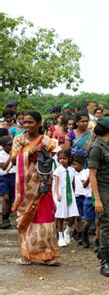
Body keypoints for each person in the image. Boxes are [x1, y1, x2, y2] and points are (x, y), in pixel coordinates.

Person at [11, 111, 60, 265]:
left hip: (42, 184)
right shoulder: (19, 139)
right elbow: (13, 159)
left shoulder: (47, 141)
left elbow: (51, 161)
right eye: (24, 122)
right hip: (25, 186)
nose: (27, 125)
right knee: (26, 219)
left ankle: (47, 254)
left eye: (30, 122)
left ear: (39, 123)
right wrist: (30, 152)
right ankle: (27, 254)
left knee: (45, 218)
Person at [88, 117, 109, 277]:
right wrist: (97, 199)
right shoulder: (96, 148)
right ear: (108, 132)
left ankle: (101, 247)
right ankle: (105, 261)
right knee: (107, 222)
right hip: (103, 189)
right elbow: (92, 175)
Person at [53, 149, 79, 247]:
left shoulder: (72, 170)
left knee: (73, 214)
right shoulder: (58, 170)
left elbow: (73, 182)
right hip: (61, 193)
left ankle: (67, 230)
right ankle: (60, 236)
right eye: (60, 158)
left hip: (70, 193)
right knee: (60, 216)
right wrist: (58, 194)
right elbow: (56, 184)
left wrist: (74, 192)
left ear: (69, 159)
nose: (62, 160)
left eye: (64, 158)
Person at [71, 155, 90, 247]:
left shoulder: (85, 172)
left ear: (81, 164)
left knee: (85, 217)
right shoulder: (72, 173)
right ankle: (78, 233)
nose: (74, 166)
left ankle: (83, 232)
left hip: (85, 196)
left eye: (75, 164)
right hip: (76, 196)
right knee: (77, 216)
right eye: (73, 164)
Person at [0, 136, 15, 229]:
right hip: (3, 178)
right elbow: (4, 167)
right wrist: (11, 156)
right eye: (10, 144)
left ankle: (6, 219)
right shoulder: (1, 154)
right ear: (3, 146)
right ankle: (4, 219)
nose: (12, 146)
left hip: (13, 176)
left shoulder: (15, 152)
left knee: (10, 199)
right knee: (6, 197)